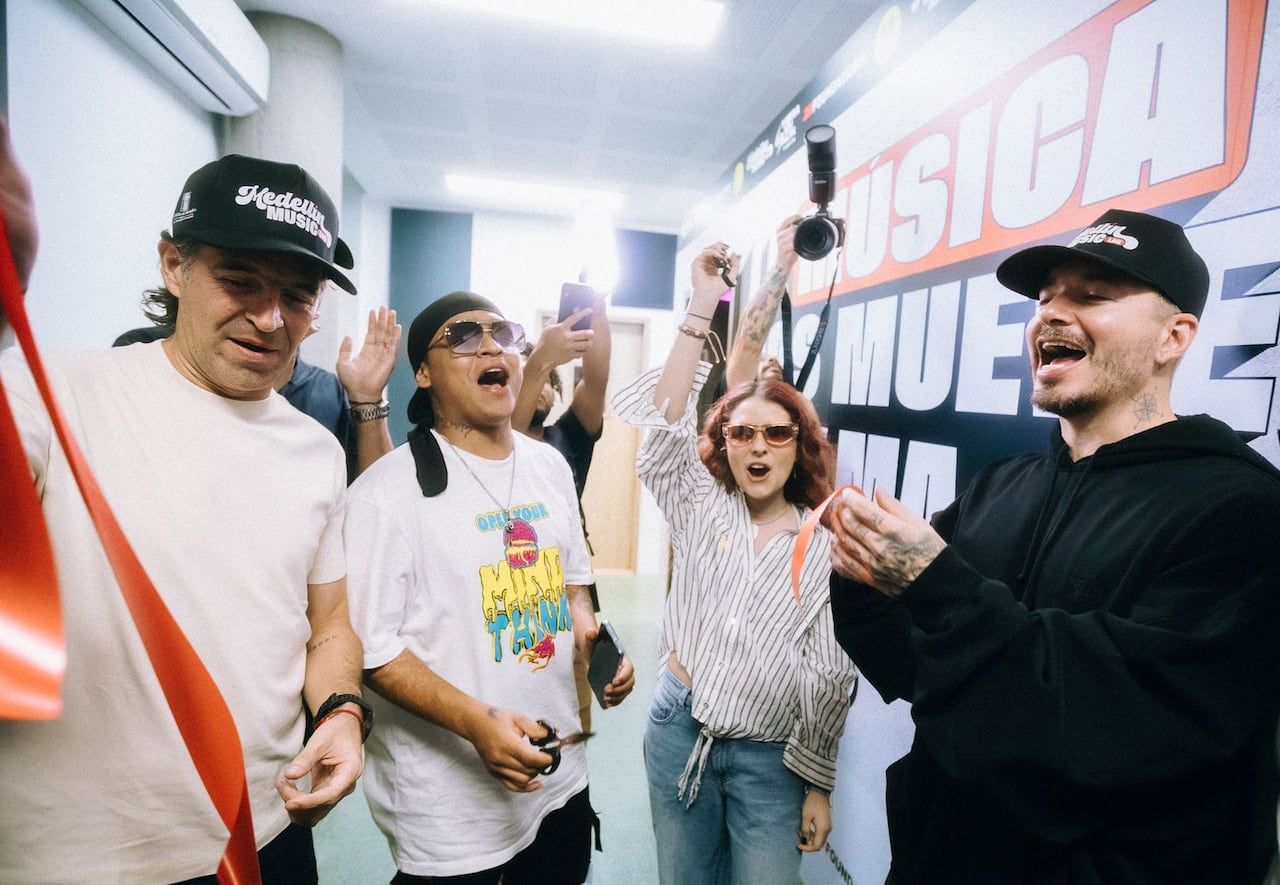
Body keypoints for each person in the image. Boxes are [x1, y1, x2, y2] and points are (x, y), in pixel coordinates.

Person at [828, 208, 1280, 884]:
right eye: (1045, 300)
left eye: (1092, 295)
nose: (1051, 315)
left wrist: (935, 584)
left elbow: (1112, 723)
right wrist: (861, 577)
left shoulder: (1241, 509)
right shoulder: (1002, 484)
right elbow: (918, 669)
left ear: (1174, 336)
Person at [0, 152, 370, 883]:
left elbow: (327, 623)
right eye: (239, 282)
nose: (270, 319)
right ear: (175, 266)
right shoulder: (48, 390)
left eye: (297, 296)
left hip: (263, 838)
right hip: (76, 860)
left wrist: (343, 713)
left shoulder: (317, 451)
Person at [343, 290, 636, 884]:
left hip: (560, 773)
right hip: (453, 812)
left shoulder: (549, 467)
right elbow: (370, 651)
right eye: (462, 337)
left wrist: (591, 638)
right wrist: (477, 721)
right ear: (422, 374)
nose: (490, 345)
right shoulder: (385, 495)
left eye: (501, 333)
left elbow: (573, 586)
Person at [612, 242, 859, 885]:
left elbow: (828, 674)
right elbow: (664, 425)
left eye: (777, 434)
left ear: (798, 447)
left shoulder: (821, 542)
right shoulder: (701, 503)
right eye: (741, 431)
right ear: (722, 439)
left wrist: (817, 786)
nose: (758, 446)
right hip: (678, 730)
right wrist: (702, 302)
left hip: (769, 762)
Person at [113, 303, 401, 481]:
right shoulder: (148, 351)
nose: (268, 318)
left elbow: (377, 504)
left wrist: (367, 399)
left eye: (296, 294)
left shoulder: (326, 393)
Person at [512, 289, 611, 727]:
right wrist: (540, 362)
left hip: (569, 602)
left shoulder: (567, 438)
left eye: (553, 381)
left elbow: (597, 379)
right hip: (505, 600)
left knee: (570, 718)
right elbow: (510, 433)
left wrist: (599, 312)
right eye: (530, 377)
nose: (543, 387)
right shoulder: (492, 445)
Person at [722, 214, 803, 389]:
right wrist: (783, 264)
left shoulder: (796, 409)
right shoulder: (741, 397)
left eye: (774, 361)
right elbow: (748, 344)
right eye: (763, 358)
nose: (772, 360)